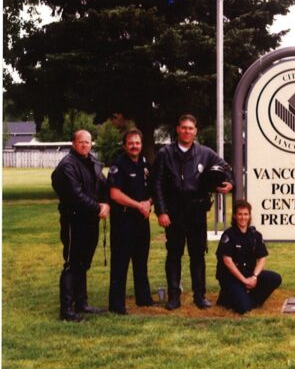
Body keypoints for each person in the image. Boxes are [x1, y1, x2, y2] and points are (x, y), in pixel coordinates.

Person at [154, 114, 234, 310]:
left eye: (190, 128)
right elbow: (156, 185)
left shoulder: (205, 153)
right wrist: (161, 212)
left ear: (195, 131)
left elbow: (226, 167)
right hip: (174, 211)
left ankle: (200, 296)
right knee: (174, 254)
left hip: (197, 210)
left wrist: (229, 183)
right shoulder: (165, 153)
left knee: (197, 254)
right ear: (178, 129)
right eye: (183, 128)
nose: (187, 131)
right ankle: (174, 296)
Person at [51, 130, 110, 322]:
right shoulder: (67, 166)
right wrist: (98, 208)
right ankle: (66, 310)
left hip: (90, 221)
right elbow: (75, 195)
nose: (85, 145)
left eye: (88, 142)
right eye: (81, 142)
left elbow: (102, 185)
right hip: (74, 221)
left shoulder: (92, 162)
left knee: (83, 263)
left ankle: (81, 303)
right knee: (72, 263)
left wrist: (106, 203)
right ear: (73, 143)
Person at [107, 128, 154, 315]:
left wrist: (148, 202)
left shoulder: (144, 164)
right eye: (131, 143)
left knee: (141, 261)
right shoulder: (118, 165)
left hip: (141, 221)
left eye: (137, 143)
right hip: (123, 221)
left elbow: (151, 190)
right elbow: (114, 194)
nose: (134, 146)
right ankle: (117, 305)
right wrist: (138, 205)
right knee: (120, 262)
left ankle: (144, 299)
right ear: (124, 145)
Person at [215, 200, 282, 314]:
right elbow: (227, 261)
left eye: (246, 214)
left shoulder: (255, 235)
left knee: (274, 278)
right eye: (240, 214)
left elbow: (262, 258)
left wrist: (254, 277)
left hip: (249, 273)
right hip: (231, 277)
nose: (243, 217)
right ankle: (227, 298)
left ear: (249, 216)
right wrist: (244, 280)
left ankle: (249, 300)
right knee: (244, 310)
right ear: (235, 216)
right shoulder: (228, 235)